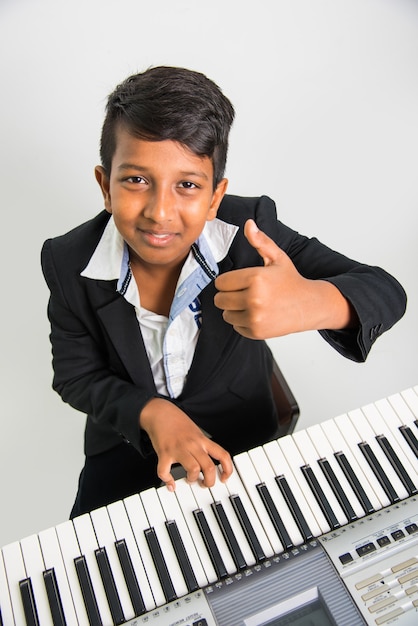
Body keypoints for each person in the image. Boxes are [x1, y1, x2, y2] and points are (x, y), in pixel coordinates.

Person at [41, 66, 407, 518]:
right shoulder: (67, 260)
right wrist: (152, 414)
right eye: (136, 180)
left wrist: (309, 303)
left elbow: (385, 290)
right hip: (126, 440)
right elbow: (75, 375)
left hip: (243, 432)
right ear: (105, 185)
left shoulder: (251, 231)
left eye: (188, 185)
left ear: (215, 196)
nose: (160, 212)